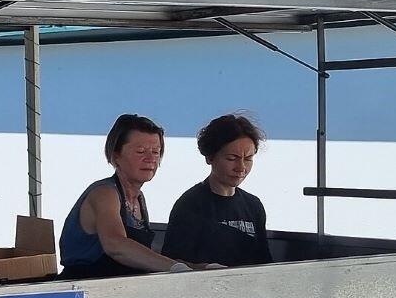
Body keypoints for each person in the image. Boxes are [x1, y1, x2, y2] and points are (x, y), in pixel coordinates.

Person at [58, 114, 197, 280]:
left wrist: (197, 267)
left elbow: (145, 256)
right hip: (83, 291)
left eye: (156, 152)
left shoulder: (139, 199)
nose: (150, 159)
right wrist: (174, 268)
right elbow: (115, 244)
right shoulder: (105, 193)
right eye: (140, 151)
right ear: (116, 155)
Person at [164, 114, 271, 269]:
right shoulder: (190, 204)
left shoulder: (253, 205)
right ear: (210, 157)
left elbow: (264, 261)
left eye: (248, 158)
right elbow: (173, 262)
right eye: (231, 158)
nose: (241, 168)